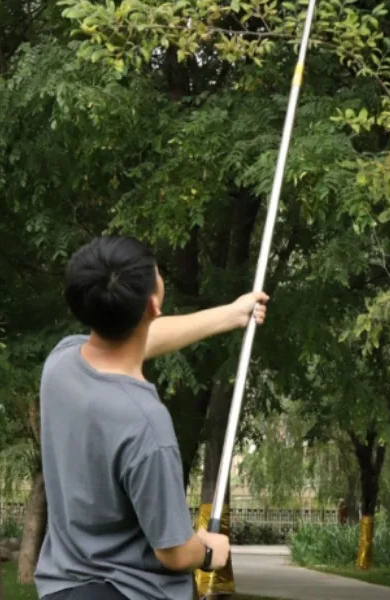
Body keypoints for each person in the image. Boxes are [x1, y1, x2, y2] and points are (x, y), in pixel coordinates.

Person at [35, 235, 269, 600]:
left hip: (63, 589)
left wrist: (231, 314)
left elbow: (140, 338)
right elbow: (173, 551)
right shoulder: (145, 424)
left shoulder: (61, 364)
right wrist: (210, 551)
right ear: (153, 303)